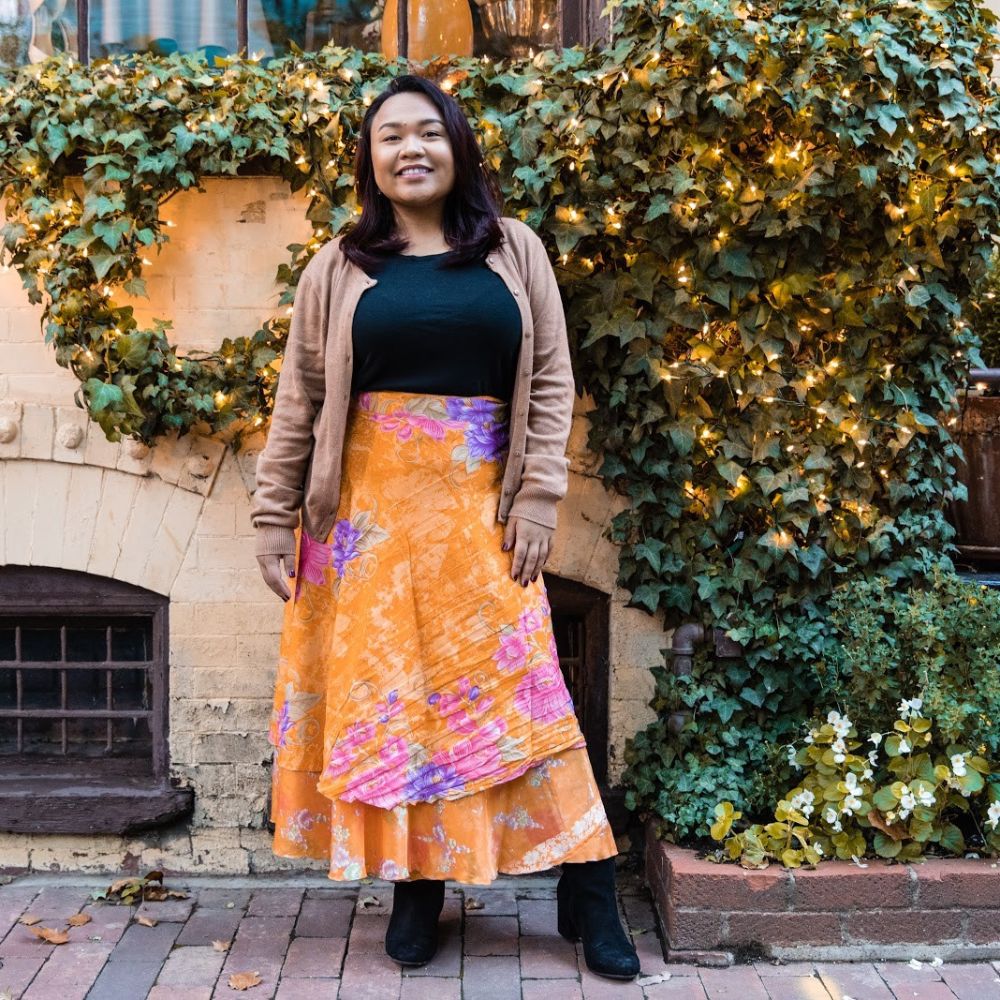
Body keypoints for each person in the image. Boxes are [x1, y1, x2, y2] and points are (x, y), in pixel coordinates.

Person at [250, 72, 640, 982]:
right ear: (370, 158)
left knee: (525, 696)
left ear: (459, 146)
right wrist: (275, 521)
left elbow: (550, 386)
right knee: (395, 710)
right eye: (391, 137)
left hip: (479, 518)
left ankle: (588, 884)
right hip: (363, 530)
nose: (410, 149)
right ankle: (417, 887)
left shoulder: (513, 251)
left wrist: (537, 499)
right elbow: (299, 403)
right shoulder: (338, 268)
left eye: (428, 132)